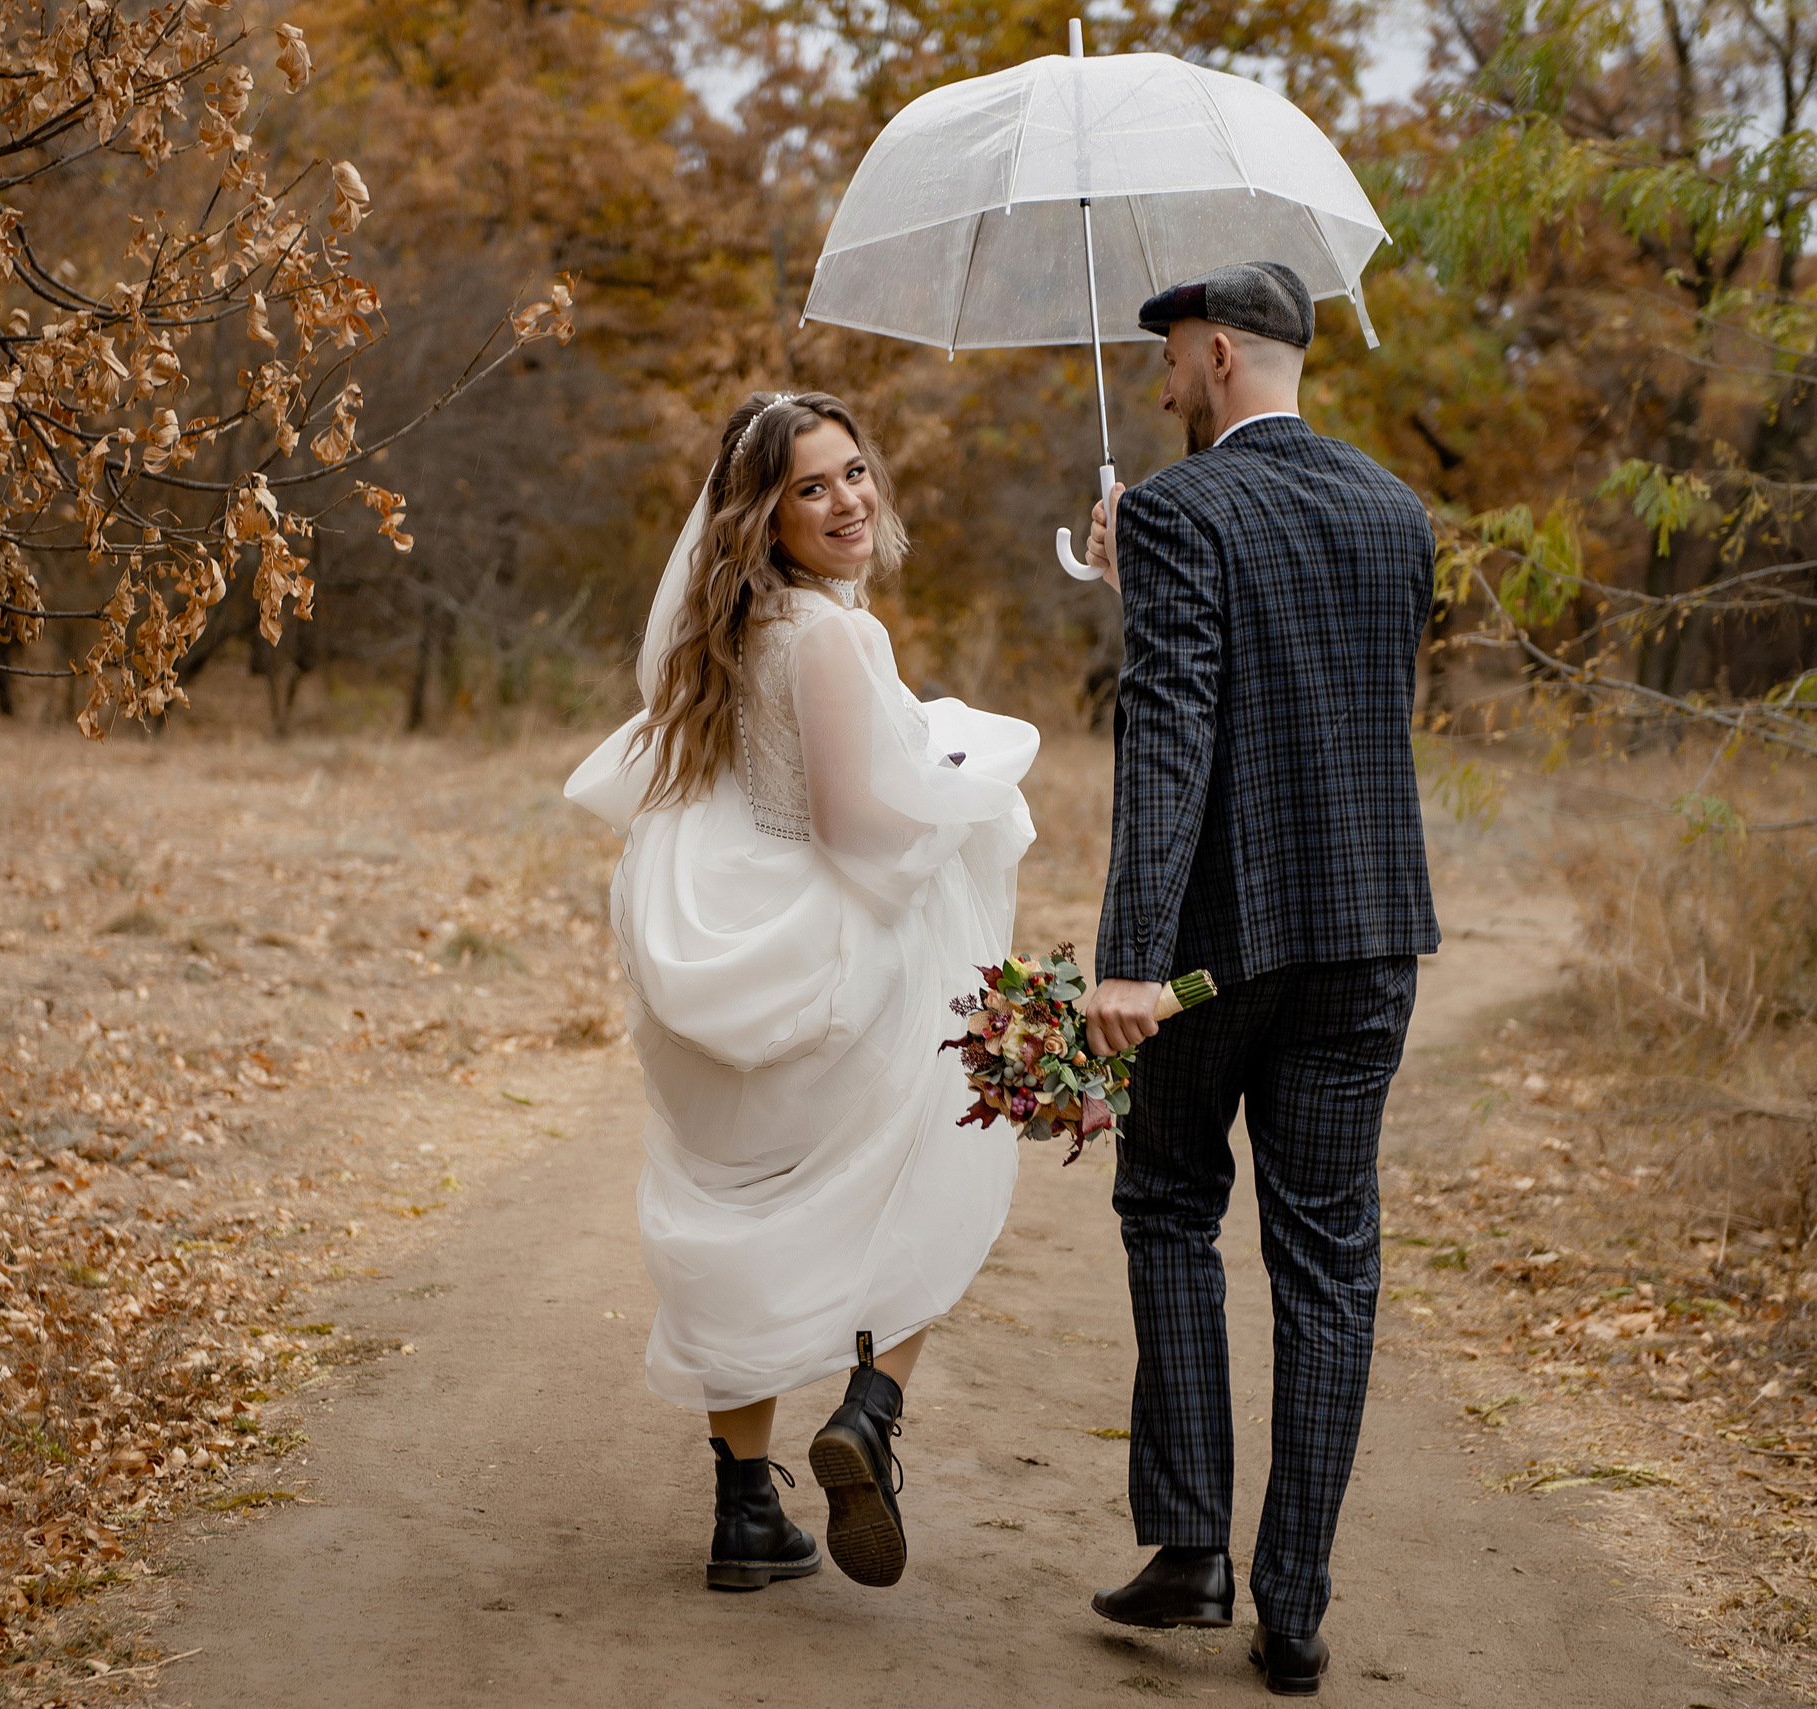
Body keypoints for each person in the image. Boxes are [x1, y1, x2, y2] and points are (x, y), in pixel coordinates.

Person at [566, 392, 1038, 1593]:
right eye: (812, 488)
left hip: (730, 939)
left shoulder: (733, 628)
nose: (848, 502)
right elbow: (846, 822)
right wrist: (963, 793)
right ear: (763, 515)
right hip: (832, 949)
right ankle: (870, 1414)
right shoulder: (832, 637)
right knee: (933, 1159)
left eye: (855, 473)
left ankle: (745, 1515)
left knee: (741, 1216)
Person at [1077, 263, 1440, 1697]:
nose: (1159, 384)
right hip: (1366, 940)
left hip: (1214, 963)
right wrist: (1139, 571)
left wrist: (1128, 960)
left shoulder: (1180, 508)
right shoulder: (1399, 510)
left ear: (1221, 352)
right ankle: (1293, 1602)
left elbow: (1171, 738)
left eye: (1169, 359)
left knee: (1168, 1204)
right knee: (1330, 1256)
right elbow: (1319, 696)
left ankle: (1188, 1547)